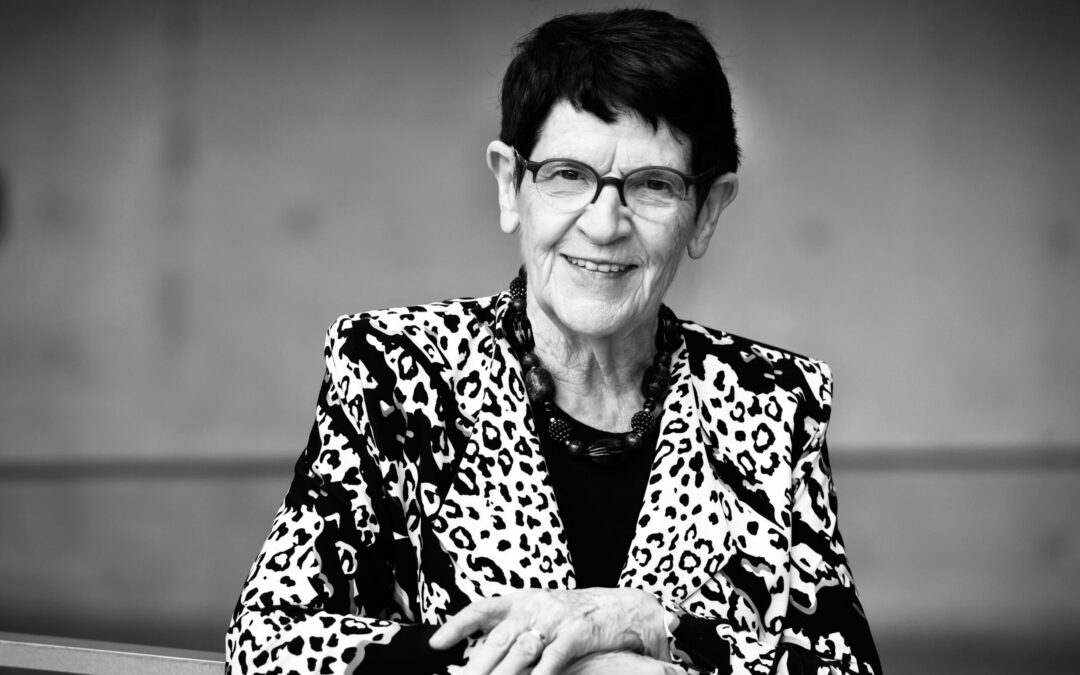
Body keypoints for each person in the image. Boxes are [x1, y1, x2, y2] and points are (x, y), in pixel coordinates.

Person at [226, 9, 882, 675]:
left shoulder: (772, 402)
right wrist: (573, 667)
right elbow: (267, 643)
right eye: (567, 174)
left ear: (706, 211)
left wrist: (660, 628)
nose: (604, 225)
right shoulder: (395, 370)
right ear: (511, 185)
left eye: (653, 185)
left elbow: (846, 667)